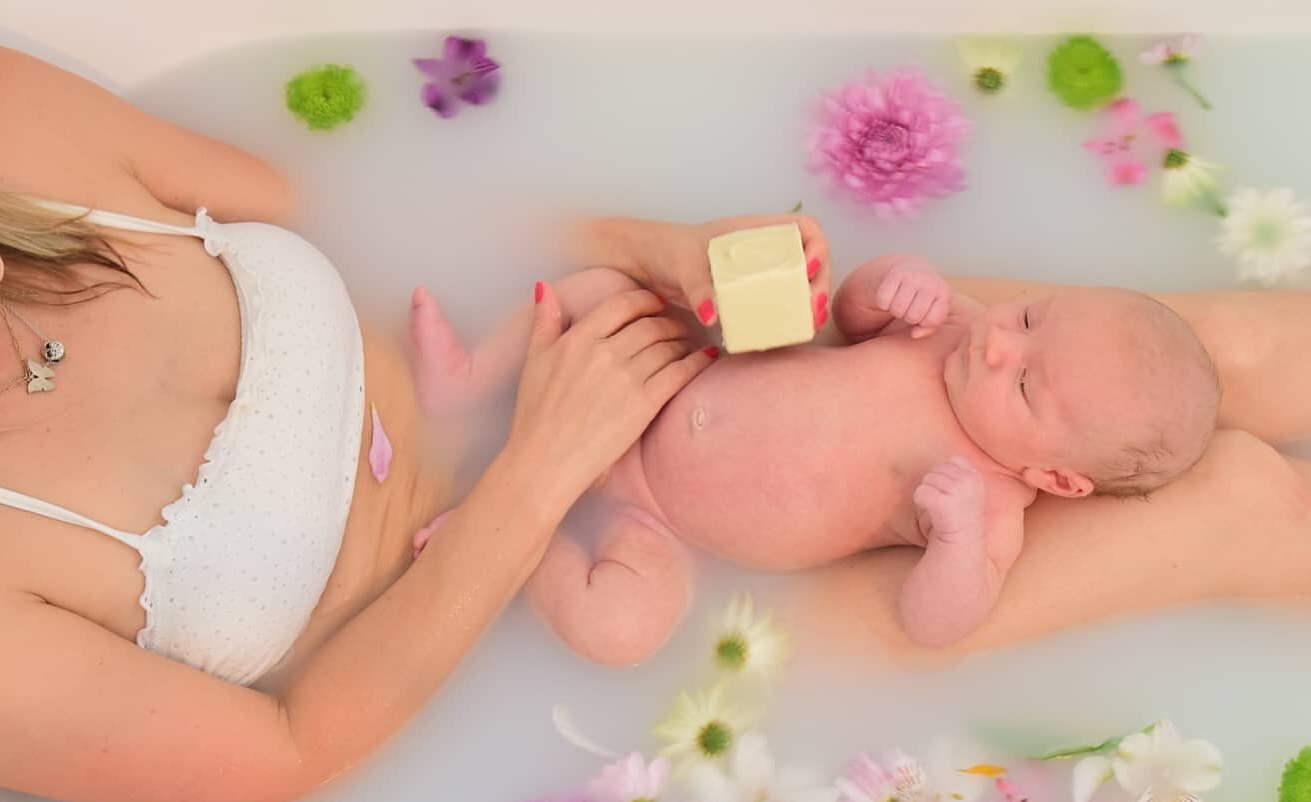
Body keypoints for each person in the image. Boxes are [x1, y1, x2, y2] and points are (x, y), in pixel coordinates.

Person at [0, 47, 1306, 802]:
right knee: (1224, 508)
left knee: (1199, 360)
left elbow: (334, 191)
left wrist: (651, 249)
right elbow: (286, 753)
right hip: (540, 594)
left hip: (564, 341)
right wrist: (542, 468)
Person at [409, 254, 1222, 659]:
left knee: (623, 630)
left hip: (656, 519)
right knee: (601, 289)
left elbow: (933, 625)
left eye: (1025, 387)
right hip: (660, 383)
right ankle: (469, 380)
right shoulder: (955, 327)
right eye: (1032, 318)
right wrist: (887, 284)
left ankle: (513, 540)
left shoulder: (991, 509)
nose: (1000, 346)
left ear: (1055, 478)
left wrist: (955, 540)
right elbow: (848, 317)